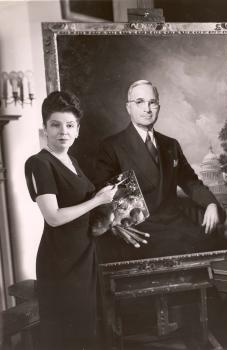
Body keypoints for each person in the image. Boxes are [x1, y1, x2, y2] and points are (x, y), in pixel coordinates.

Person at [24, 91, 143, 350]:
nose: (62, 132)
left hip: (84, 255)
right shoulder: (38, 164)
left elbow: (86, 212)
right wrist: (98, 201)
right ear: (45, 128)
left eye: (69, 125)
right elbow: (53, 217)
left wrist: (114, 220)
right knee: (67, 335)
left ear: (77, 130)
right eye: (55, 124)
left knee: (87, 330)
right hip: (60, 262)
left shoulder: (72, 160)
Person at [94, 80, 226, 261]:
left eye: (152, 102)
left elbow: (190, 182)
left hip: (175, 222)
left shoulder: (170, 144)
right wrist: (115, 224)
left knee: (211, 244)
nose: (147, 109)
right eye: (139, 102)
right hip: (139, 226)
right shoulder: (112, 146)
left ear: (158, 107)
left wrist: (210, 203)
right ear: (128, 108)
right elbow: (102, 193)